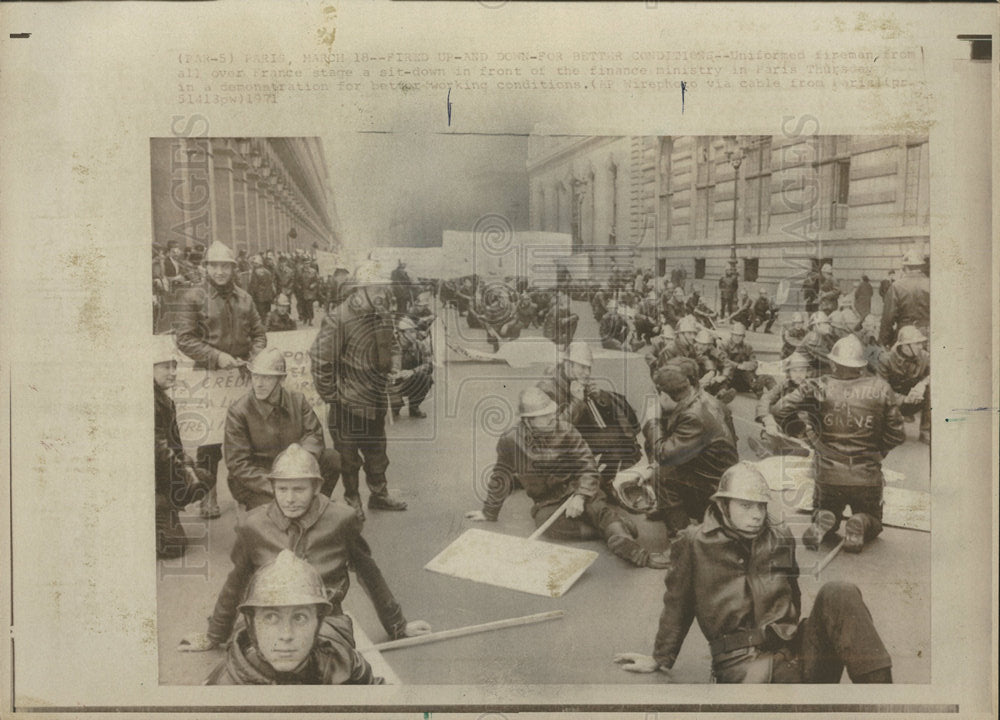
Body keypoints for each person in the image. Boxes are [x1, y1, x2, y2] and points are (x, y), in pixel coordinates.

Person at [614, 462, 893, 684]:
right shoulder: (694, 542)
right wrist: (660, 658)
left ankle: (881, 704)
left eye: (761, 506)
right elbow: (677, 605)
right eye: (746, 506)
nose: (757, 515)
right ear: (724, 505)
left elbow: (793, 595)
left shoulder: (779, 535)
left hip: (794, 652)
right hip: (743, 667)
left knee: (839, 592)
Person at [179, 444, 431, 655]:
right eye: (282, 489)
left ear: (316, 488)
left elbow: (369, 573)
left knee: (325, 664)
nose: (289, 498)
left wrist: (398, 625)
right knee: (250, 663)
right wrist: (214, 635)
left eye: (299, 489)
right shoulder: (253, 526)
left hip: (325, 622)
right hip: (272, 619)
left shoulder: (342, 519)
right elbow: (236, 583)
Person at [465, 388, 669, 569]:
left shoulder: (566, 430)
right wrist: (489, 512)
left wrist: (580, 496)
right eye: (543, 416)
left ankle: (635, 552)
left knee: (598, 509)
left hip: (578, 487)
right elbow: (501, 474)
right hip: (547, 499)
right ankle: (611, 529)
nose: (552, 418)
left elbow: (588, 464)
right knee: (548, 525)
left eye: (551, 413)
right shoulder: (510, 440)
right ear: (528, 420)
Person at [769, 335, 906, 553]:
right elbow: (897, 434)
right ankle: (861, 521)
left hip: (828, 474)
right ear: (861, 366)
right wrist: (878, 452)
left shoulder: (818, 385)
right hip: (867, 475)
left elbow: (779, 410)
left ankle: (826, 519)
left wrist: (807, 435)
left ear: (833, 363)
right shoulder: (881, 387)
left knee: (824, 510)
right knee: (874, 520)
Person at [174, 240, 267, 519]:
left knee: (243, 437)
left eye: (225, 266)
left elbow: (259, 333)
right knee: (210, 442)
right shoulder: (193, 298)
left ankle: (245, 492)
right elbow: (184, 339)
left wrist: (255, 355)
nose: (220, 271)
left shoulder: (245, 299)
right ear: (206, 268)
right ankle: (208, 493)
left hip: (239, 377)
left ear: (233, 268)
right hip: (208, 376)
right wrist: (216, 357)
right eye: (214, 265)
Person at [310, 262, 408, 517]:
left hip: (375, 396)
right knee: (348, 455)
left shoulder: (382, 313)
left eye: (383, 287)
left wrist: (394, 364)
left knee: (377, 450)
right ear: (361, 289)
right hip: (348, 402)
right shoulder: (339, 317)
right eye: (376, 287)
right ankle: (352, 498)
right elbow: (321, 359)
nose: (381, 293)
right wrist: (333, 396)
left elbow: (393, 344)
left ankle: (379, 494)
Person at [205, 550, 385, 685]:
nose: (286, 635)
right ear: (252, 625)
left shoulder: (343, 662)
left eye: (299, 618)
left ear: (317, 623)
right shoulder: (223, 687)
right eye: (271, 618)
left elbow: (382, 702)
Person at [224, 348, 340, 510]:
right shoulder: (239, 411)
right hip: (260, 479)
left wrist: (301, 459)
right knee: (279, 519)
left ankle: (313, 506)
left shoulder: (297, 400)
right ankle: (302, 503)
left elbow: (314, 435)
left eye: (266, 377)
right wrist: (278, 485)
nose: (258, 383)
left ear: (281, 379)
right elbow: (239, 464)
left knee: (331, 458)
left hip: (296, 470)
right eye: (255, 376)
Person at [642, 360, 739, 536]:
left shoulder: (694, 417)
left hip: (715, 485)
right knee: (658, 454)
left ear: (664, 395)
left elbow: (664, 455)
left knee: (661, 476)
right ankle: (669, 506)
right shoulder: (700, 397)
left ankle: (684, 539)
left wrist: (652, 421)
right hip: (717, 472)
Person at [537, 342, 642, 497]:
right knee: (615, 441)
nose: (587, 372)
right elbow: (552, 431)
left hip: (578, 435)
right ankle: (587, 486)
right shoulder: (547, 388)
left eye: (589, 368)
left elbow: (600, 421)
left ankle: (604, 482)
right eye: (582, 367)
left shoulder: (576, 380)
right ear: (568, 364)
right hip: (558, 446)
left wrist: (600, 397)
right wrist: (577, 401)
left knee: (622, 439)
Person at [153, 334, 211, 558]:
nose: (172, 372)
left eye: (174, 366)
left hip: (160, 477)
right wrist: (184, 473)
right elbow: (159, 450)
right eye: (165, 367)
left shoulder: (162, 398)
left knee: (203, 477)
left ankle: (166, 506)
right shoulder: (149, 400)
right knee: (173, 546)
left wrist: (185, 464)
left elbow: (171, 447)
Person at [750, 353, 814, 458]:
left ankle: (789, 449)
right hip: (785, 425)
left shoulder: (811, 387)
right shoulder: (784, 385)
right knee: (771, 412)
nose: (798, 374)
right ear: (789, 373)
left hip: (804, 429)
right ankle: (768, 444)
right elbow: (766, 398)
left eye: (802, 371)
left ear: (807, 372)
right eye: (794, 371)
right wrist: (767, 419)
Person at [876, 325, 930, 444]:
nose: (921, 347)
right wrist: (904, 399)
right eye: (917, 344)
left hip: (915, 400)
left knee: (933, 389)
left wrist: (922, 384)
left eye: (921, 343)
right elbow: (881, 389)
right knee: (895, 437)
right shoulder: (886, 359)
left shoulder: (925, 357)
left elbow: (936, 374)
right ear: (905, 346)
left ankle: (926, 430)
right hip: (894, 404)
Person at [879, 251, 930, 347]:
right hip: (928, 336)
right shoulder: (931, 284)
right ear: (922, 267)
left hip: (905, 338)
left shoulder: (897, 286)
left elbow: (888, 319)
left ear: (905, 267)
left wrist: (883, 342)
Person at [389, 316, 434, 420]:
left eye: (415, 331)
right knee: (395, 405)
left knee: (425, 378)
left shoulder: (420, 345)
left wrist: (412, 371)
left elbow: (429, 365)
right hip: (393, 383)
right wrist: (391, 373)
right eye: (410, 332)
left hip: (410, 379)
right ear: (400, 333)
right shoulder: (390, 347)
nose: (414, 335)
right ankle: (395, 404)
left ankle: (414, 406)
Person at [721, 323, 775, 398]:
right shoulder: (724, 345)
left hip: (744, 380)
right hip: (728, 379)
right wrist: (738, 366)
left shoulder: (747, 347)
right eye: (735, 335)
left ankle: (775, 395)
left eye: (740, 336)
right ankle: (722, 393)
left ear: (743, 337)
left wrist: (748, 365)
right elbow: (723, 360)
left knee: (765, 377)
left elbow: (754, 361)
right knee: (728, 370)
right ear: (731, 335)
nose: (737, 338)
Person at [692, 329, 737, 404]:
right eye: (700, 343)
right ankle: (710, 399)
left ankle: (721, 394)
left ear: (709, 345)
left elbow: (727, 364)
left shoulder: (713, 351)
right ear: (696, 342)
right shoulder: (691, 350)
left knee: (724, 381)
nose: (701, 347)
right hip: (696, 378)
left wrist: (723, 376)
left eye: (705, 345)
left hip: (709, 379)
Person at [797, 311, 835, 377]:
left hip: (807, 369)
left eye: (828, 323)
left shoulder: (820, 335)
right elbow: (829, 358)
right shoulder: (813, 338)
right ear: (817, 325)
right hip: (801, 372)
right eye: (825, 323)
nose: (829, 326)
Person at [247, 254, 277, 321]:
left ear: (257, 264)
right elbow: (271, 285)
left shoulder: (255, 273)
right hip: (268, 298)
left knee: (260, 315)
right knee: (267, 314)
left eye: (254, 263)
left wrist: (250, 295)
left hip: (259, 298)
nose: (253, 265)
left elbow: (254, 287)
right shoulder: (267, 272)